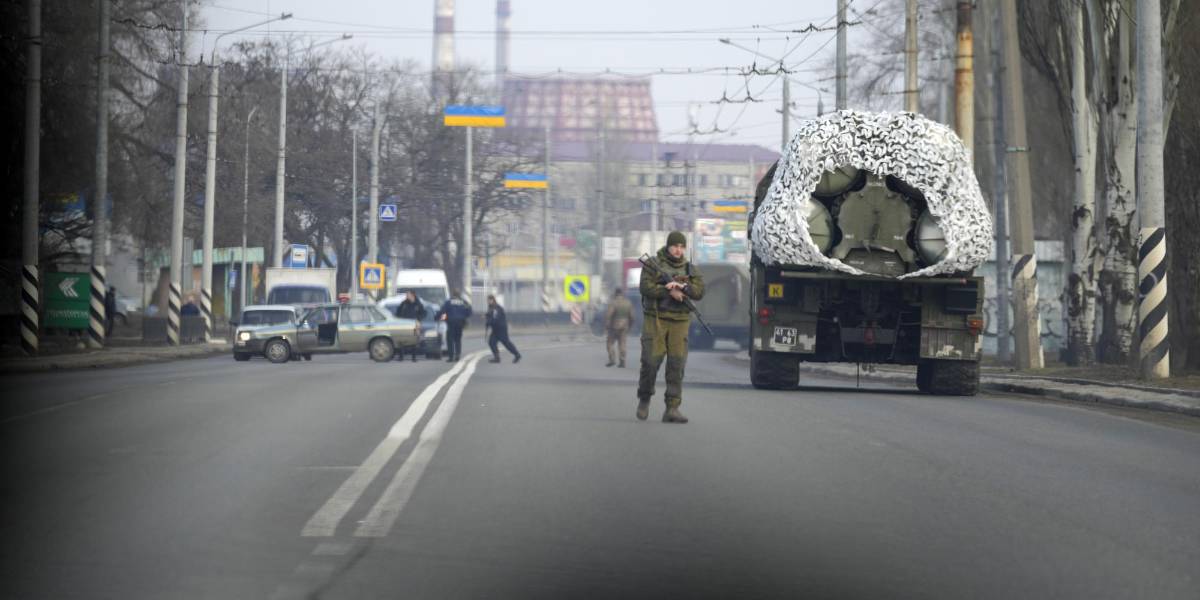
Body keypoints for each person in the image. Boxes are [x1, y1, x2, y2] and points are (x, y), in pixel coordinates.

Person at [636, 231, 704, 424]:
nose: (678, 250)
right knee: (650, 362)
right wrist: (668, 292)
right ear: (668, 246)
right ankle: (644, 398)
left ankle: (672, 408)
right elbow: (645, 287)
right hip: (656, 319)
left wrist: (683, 288)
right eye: (675, 246)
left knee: (677, 365)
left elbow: (699, 292)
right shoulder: (653, 264)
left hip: (680, 321)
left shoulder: (690, 268)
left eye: (682, 247)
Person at [436, 289, 472, 362]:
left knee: (450, 340)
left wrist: (436, 317)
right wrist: (464, 317)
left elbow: (443, 311)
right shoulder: (464, 302)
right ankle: (457, 355)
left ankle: (451, 357)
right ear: (459, 295)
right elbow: (469, 311)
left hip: (451, 322)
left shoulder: (449, 302)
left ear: (453, 294)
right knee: (458, 339)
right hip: (460, 323)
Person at [485, 294, 521, 364]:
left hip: (501, 329)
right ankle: (497, 358)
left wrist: (488, 322)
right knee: (491, 342)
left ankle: (517, 355)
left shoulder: (497, 308)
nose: (488, 301)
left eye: (489, 300)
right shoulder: (491, 307)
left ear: (493, 300)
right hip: (496, 329)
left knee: (506, 343)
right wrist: (486, 316)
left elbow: (495, 318)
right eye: (488, 300)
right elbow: (490, 315)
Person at [394, 290, 427, 362]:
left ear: (412, 295)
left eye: (408, 294)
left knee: (414, 341)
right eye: (406, 295)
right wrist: (399, 319)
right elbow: (398, 312)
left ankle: (414, 357)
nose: (406, 296)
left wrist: (418, 320)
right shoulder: (404, 303)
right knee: (402, 340)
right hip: (404, 324)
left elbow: (423, 313)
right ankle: (401, 357)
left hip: (414, 324)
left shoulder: (418, 304)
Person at [604, 287, 633, 368]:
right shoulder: (628, 303)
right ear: (622, 294)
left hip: (614, 326)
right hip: (625, 326)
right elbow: (632, 316)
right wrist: (630, 326)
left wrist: (607, 326)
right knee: (622, 344)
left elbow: (608, 315)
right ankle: (622, 361)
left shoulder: (613, 303)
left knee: (610, 343)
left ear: (615, 293)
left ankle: (612, 360)